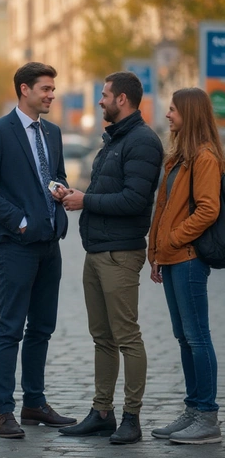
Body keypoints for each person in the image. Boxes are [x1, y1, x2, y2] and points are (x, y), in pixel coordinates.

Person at [58, 71, 163, 444]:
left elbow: (135, 200)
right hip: (98, 250)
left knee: (126, 337)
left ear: (122, 99)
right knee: (101, 337)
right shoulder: (115, 139)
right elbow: (109, 190)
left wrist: (85, 200)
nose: (99, 100)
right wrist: (77, 193)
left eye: (104, 95)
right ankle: (102, 412)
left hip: (121, 253)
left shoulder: (143, 142)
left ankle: (131, 418)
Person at [0, 62, 76, 439]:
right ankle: (4, 413)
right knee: (11, 328)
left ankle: (34, 402)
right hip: (17, 244)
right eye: (45, 89)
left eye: (52, 88)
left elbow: (57, 174)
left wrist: (60, 189)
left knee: (42, 328)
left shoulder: (52, 132)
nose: (51, 95)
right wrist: (18, 221)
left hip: (50, 243)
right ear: (24, 90)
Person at [147, 87, 223, 444]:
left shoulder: (205, 157)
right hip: (172, 258)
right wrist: (156, 252)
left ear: (189, 114)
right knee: (183, 338)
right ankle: (193, 408)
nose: (168, 115)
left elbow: (209, 208)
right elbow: (163, 206)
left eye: (173, 109)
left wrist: (175, 239)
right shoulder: (179, 157)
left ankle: (207, 416)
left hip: (190, 259)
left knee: (197, 337)